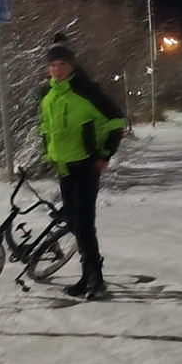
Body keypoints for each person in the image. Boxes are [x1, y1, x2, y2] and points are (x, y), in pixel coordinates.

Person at [38, 37, 127, 299]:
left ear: (72, 65)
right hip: (64, 166)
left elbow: (116, 119)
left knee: (84, 225)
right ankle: (88, 276)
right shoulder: (47, 94)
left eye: (62, 64)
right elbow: (44, 125)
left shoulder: (86, 91)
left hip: (86, 165)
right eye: (52, 65)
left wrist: (105, 153)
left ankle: (96, 280)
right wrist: (48, 152)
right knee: (75, 223)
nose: (56, 69)